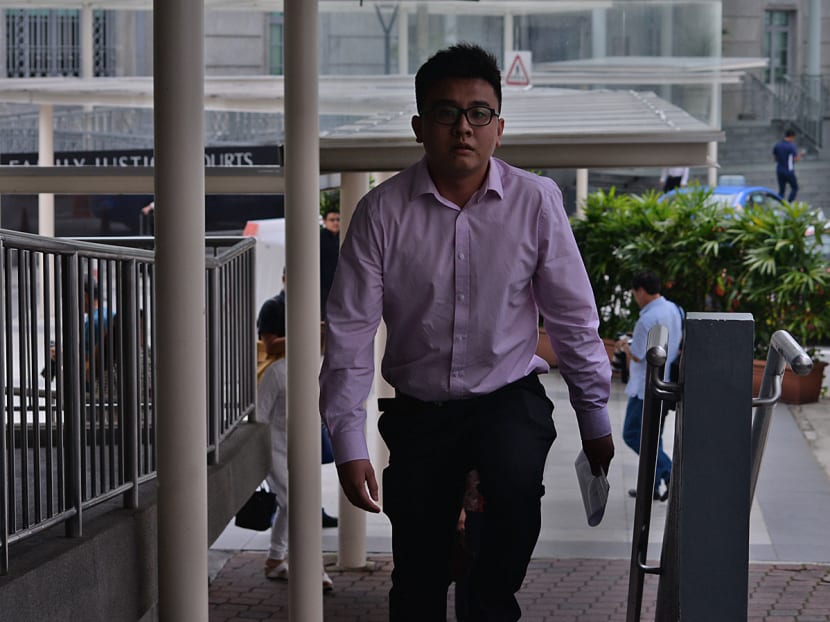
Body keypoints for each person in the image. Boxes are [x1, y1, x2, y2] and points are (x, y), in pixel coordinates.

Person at [319, 43, 614, 621]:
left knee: (513, 497)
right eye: (446, 112)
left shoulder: (536, 202)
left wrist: (595, 416)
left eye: (479, 113)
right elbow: (350, 336)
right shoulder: (381, 213)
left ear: (499, 128)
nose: (463, 127)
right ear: (419, 126)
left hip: (508, 397)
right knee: (417, 579)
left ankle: (489, 599)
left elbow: (573, 317)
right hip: (420, 410)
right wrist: (349, 443)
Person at [256, 271, 334, 592]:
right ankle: (313, 570)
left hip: (297, 449)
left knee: (294, 505)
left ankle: (275, 559)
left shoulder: (310, 368)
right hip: (276, 451)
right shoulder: (277, 371)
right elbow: (259, 417)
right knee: (300, 506)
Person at [615, 271, 682, 502]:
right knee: (654, 436)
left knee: (632, 434)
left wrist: (625, 345)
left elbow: (637, 355)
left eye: (634, 293)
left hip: (645, 387)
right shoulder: (674, 310)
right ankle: (651, 487)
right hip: (665, 382)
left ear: (641, 291)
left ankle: (669, 471)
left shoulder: (646, 320)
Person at [319, 207, 341, 315]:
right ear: (324, 221)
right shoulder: (319, 238)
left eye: (338, 219)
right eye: (332, 220)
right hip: (323, 286)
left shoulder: (343, 237)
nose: (335, 223)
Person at [772, 129, 801, 201]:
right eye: (793, 138)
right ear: (791, 137)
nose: (793, 140)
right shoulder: (791, 146)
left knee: (781, 190)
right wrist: (800, 155)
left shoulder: (777, 145)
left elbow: (775, 158)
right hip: (789, 171)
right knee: (795, 187)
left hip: (779, 170)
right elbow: (796, 159)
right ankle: (789, 203)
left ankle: (779, 204)